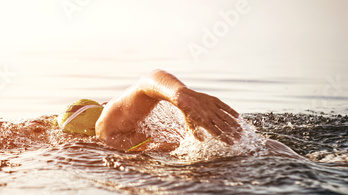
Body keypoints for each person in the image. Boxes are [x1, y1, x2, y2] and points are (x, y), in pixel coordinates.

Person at [57, 69, 304, 159]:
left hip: (224, 170)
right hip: (260, 154)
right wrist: (181, 97)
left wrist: (183, 98)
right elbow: (146, 84)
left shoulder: (107, 135)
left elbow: (147, 82)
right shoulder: (107, 129)